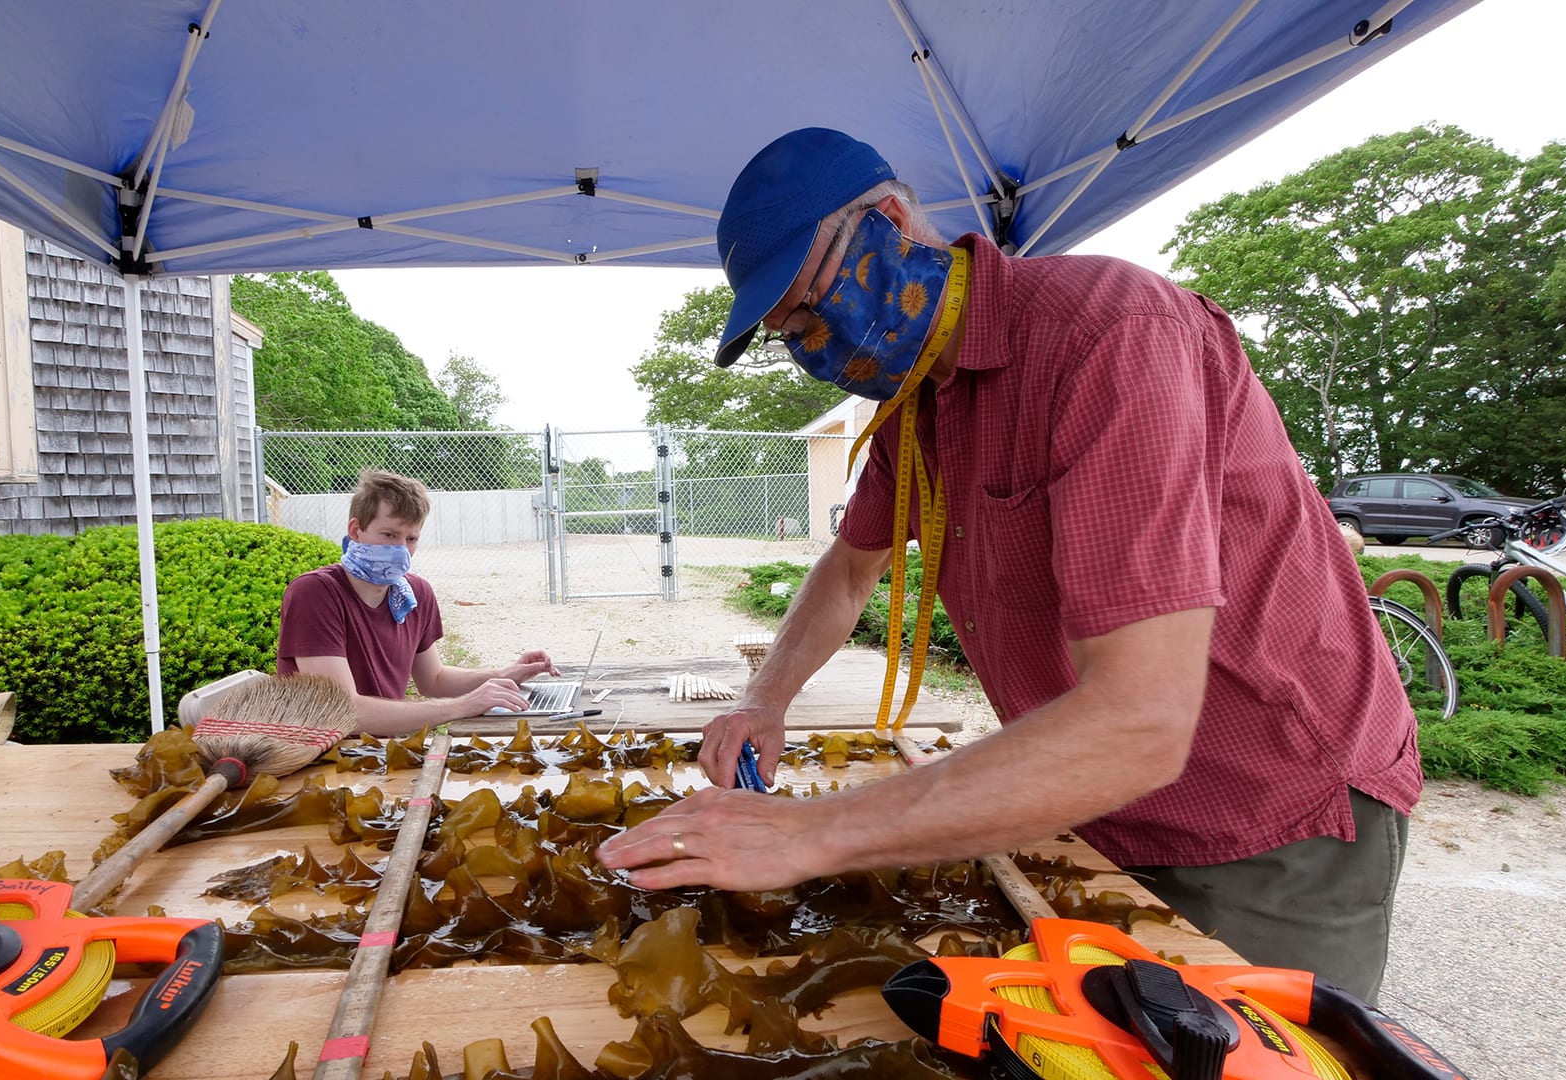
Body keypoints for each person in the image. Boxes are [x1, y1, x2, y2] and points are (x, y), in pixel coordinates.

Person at [598, 128, 1420, 1003]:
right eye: (786, 332)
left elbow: (1142, 719)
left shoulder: (1110, 334)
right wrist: (765, 700)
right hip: (1086, 803)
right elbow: (849, 570)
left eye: (810, 305)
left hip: (1261, 808)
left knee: (1239, 1052)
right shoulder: (918, 403)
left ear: (892, 222)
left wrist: (812, 833)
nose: (809, 345)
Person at [277, 468, 556, 734]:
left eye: (411, 538)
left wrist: (502, 675)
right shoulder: (314, 593)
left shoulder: (414, 593)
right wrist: (463, 705)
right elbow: (345, 710)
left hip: (382, 752)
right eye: (389, 535)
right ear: (355, 530)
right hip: (321, 756)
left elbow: (433, 680)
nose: (400, 549)